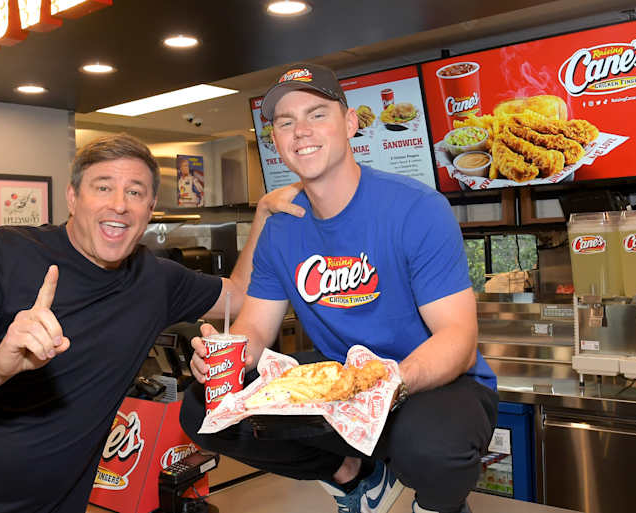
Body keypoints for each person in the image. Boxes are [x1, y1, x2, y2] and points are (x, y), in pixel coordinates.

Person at [0, 133, 300, 513]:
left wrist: (263, 215)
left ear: (149, 209)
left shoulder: (156, 280)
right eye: (103, 187)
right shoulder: (6, 252)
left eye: (136, 192)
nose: (119, 205)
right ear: (72, 197)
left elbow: (239, 293)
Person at [180, 64, 499, 513]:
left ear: (350, 124)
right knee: (202, 411)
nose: (300, 131)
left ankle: (436, 506)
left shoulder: (416, 208)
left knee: (431, 447)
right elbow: (254, 327)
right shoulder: (282, 229)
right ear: (275, 141)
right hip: (340, 383)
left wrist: (387, 385)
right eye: (285, 122)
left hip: (430, 381)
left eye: (317, 114)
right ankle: (356, 480)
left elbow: (458, 341)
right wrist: (225, 357)